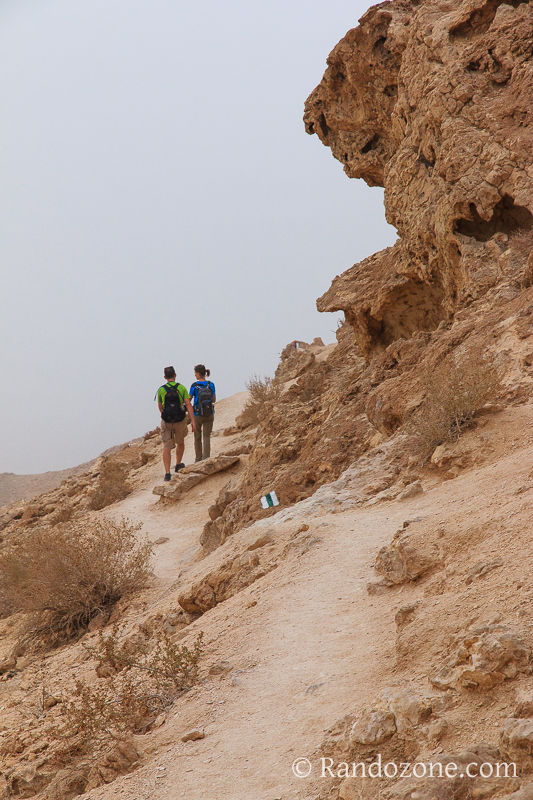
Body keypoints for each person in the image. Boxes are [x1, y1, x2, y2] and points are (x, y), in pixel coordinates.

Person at [156, 366, 196, 481]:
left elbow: (160, 406)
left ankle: (167, 473)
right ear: (175, 375)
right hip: (180, 420)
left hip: (167, 421)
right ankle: (178, 464)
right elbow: (188, 404)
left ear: (164, 377)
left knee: (167, 447)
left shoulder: (161, 390)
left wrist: (165, 416)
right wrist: (192, 421)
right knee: (180, 442)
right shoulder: (181, 388)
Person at [189, 364, 216, 462]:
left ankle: (198, 459)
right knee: (207, 436)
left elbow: (189, 399)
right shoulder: (211, 384)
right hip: (209, 413)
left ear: (198, 373)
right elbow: (213, 399)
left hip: (197, 415)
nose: (195, 375)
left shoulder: (194, 386)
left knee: (197, 437)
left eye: (195, 373)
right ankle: (206, 458)